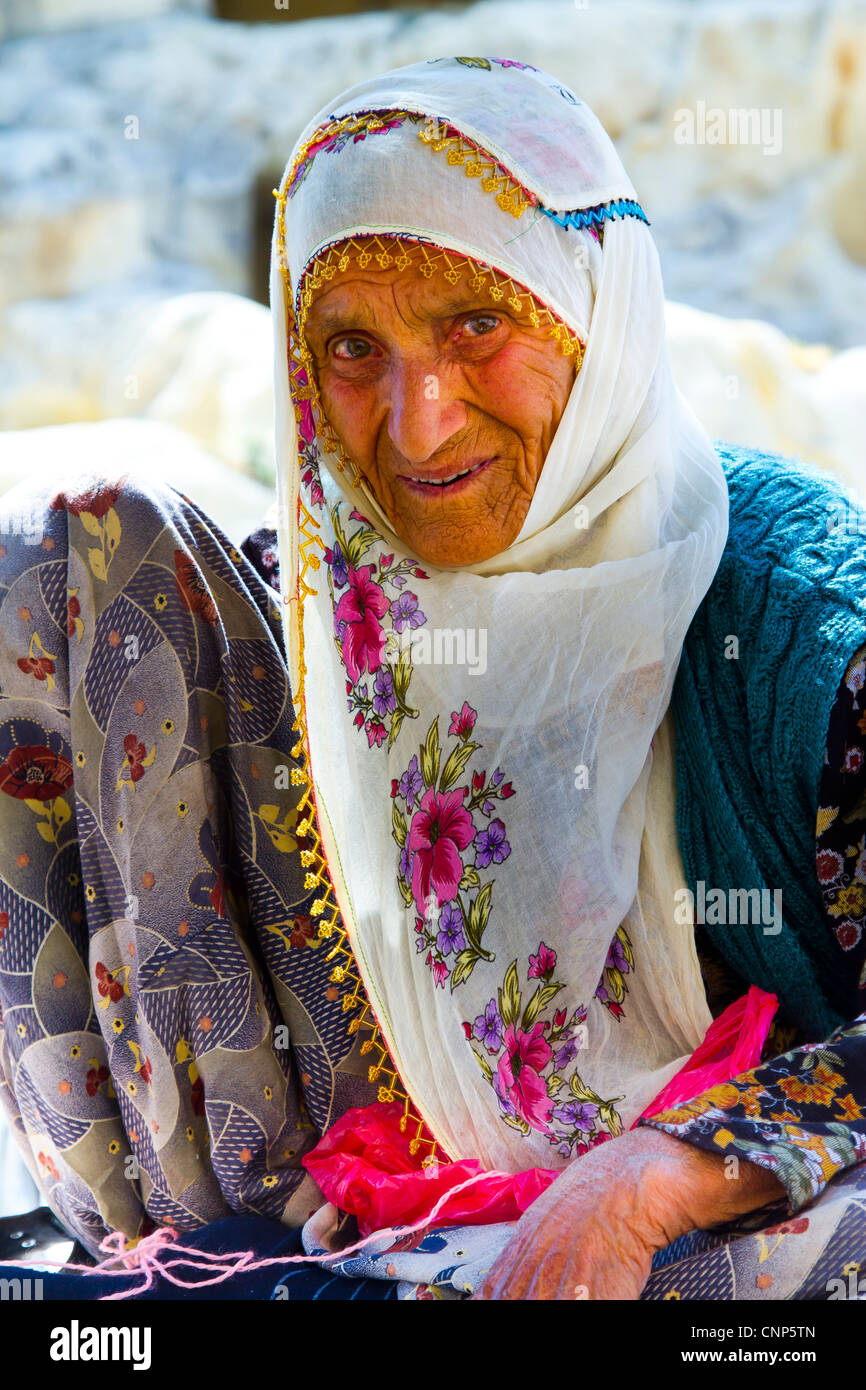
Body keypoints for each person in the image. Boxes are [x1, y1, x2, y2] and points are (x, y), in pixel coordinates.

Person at [0, 57, 865, 1302]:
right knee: (65, 542)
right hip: (327, 1177)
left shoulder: (798, 614)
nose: (416, 424)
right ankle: (193, 1257)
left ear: (595, 314)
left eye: (476, 326)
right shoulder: (325, 592)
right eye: (351, 347)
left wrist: (661, 1173)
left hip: (696, 1213)